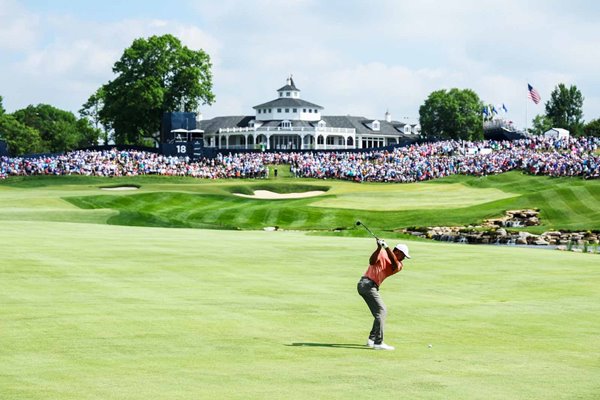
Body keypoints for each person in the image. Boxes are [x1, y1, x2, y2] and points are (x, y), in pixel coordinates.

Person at [357, 239, 411, 350]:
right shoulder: (382, 253)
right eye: (403, 255)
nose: (404, 258)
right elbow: (371, 262)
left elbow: (394, 263)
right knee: (381, 311)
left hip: (370, 286)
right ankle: (378, 342)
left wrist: (386, 247)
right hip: (366, 284)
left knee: (380, 312)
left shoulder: (399, 265)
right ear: (397, 251)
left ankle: (371, 340)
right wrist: (378, 248)